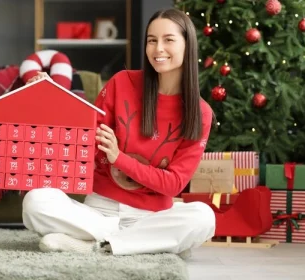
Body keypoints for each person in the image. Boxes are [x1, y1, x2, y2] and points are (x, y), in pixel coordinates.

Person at [22, 8, 216, 258]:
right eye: (152, 40)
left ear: (188, 45)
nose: (158, 49)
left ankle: (96, 246)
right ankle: (138, 244)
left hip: (151, 217)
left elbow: (174, 184)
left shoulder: (201, 112)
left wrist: (119, 158)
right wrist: (53, 99)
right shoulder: (122, 82)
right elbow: (85, 141)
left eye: (168, 40)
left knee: (203, 217)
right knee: (36, 201)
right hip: (98, 211)